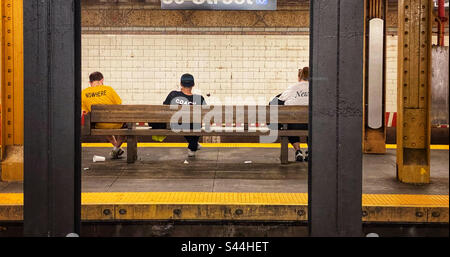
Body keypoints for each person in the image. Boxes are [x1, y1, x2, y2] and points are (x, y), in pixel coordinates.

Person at [82, 71, 126, 159]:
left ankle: (116, 148)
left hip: (99, 124)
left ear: (90, 82)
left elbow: (85, 111)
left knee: (102, 124)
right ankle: (116, 148)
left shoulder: (83, 93)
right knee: (127, 126)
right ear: (102, 80)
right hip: (116, 123)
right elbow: (119, 104)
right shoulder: (109, 89)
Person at [161, 73, 207, 157]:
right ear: (193, 85)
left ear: (181, 84)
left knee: (184, 122)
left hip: (176, 125)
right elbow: (205, 114)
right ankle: (193, 146)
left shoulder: (173, 95)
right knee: (195, 124)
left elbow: (164, 108)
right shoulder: (199, 98)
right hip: (193, 126)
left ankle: (194, 145)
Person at [278, 67, 309, 162]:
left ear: (299, 77)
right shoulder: (317, 88)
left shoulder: (293, 87)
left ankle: (298, 150)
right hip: (312, 125)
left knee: (287, 123)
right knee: (313, 123)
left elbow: (278, 102)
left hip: (294, 125)